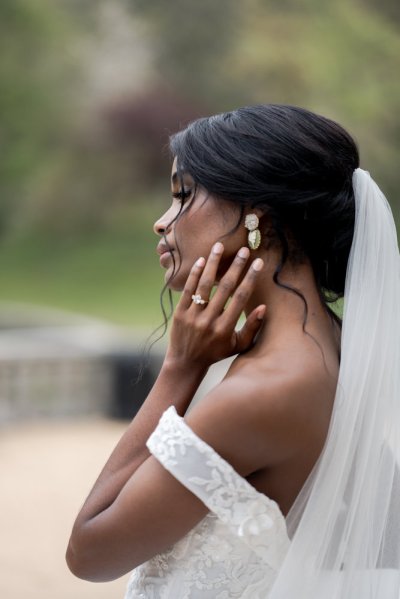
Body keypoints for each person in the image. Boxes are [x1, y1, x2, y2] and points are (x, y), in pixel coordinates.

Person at [66, 105, 400, 598]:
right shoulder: (335, 348)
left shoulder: (268, 389)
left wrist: (180, 368)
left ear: (255, 217)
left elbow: (90, 553)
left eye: (182, 196)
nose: (162, 224)